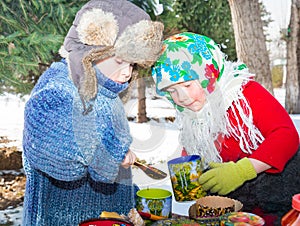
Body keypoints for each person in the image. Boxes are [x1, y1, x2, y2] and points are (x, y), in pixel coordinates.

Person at [22, 0, 164, 225]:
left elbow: (108, 166)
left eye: (133, 65)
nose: (127, 72)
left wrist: (129, 197)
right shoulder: (59, 85)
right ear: (92, 51)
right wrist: (111, 150)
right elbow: (60, 145)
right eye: (120, 61)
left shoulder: (106, 90)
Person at [152, 32, 299, 225]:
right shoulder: (193, 113)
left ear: (209, 75)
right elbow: (195, 147)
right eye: (171, 91)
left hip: (278, 200)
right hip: (235, 208)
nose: (182, 98)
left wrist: (241, 171)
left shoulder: (244, 92)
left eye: (187, 85)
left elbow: (287, 136)